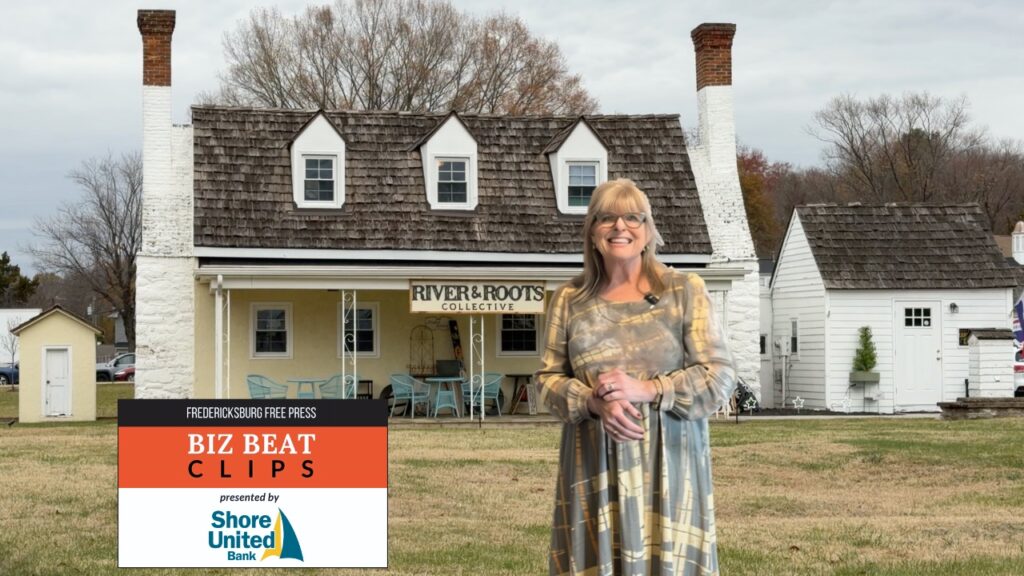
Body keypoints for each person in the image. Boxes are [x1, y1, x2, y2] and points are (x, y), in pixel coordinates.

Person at [535, 178, 736, 575]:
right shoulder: (570, 299)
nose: (619, 227)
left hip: (670, 470)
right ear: (592, 232)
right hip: (592, 469)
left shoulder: (683, 290)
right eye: (606, 217)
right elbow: (546, 381)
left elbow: (718, 376)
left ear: (648, 231)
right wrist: (592, 402)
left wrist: (647, 389)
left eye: (633, 217)